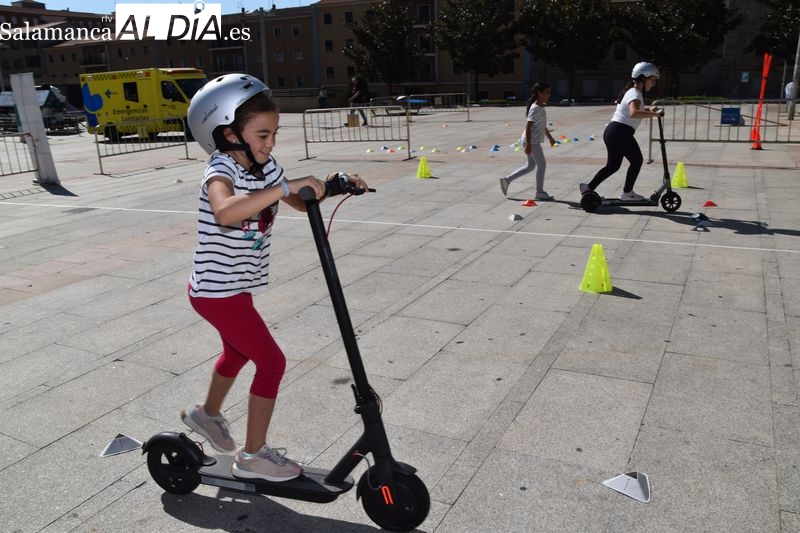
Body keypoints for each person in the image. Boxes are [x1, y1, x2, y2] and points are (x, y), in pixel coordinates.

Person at [183, 73, 368, 483]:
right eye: (262, 135)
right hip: (218, 292)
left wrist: (334, 184)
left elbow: (298, 202)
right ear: (227, 132)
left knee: (236, 355)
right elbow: (226, 211)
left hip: (234, 289)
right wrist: (285, 184)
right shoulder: (220, 170)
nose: (270, 144)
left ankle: (205, 415)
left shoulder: (263, 167)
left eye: (274, 134)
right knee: (272, 362)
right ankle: (252, 457)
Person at [580, 62, 664, 201]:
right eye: (652, 80)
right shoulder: (635, 93)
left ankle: (588, 187)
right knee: (637, 160)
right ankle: (627, 193)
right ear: (643, 78)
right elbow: (634, 112)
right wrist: (656, 115)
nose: (654, 84)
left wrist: (650, 109)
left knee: (613, 166)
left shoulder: (633, 92)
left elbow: (637, 108)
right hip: (620, 133)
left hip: (614, 132)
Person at [499, 82, 557, 200]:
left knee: (530, 166)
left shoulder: (540, 107)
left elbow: (541, 125)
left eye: (549, 93)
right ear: (539, 94)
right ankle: (539, 192)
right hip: (531, 141)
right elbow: (528, 126)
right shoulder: (535, 109)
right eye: (546, 93)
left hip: (530, 141)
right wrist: (529, 145)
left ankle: (506, 180)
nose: (549, 95)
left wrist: (550, 137)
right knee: (542, 164)